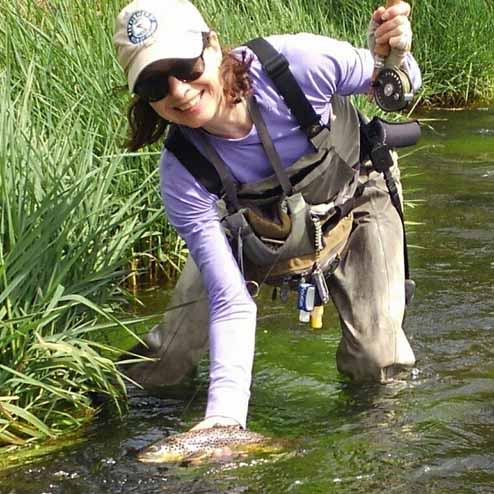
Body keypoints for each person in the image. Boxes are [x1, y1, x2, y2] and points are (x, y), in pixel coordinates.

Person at [113, 0, 421, 432]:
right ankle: (103, 416)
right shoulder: (181, 172)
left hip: (358, 201)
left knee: (377, 362)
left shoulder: (299, 63)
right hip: (253, 236)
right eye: (153, 86)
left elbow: (399, 91)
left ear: (213, 45)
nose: (178, 91)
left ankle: (376, 451)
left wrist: (398, 57)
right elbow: (231, 301)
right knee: (165, 362)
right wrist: (225, 420)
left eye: (184, 66)